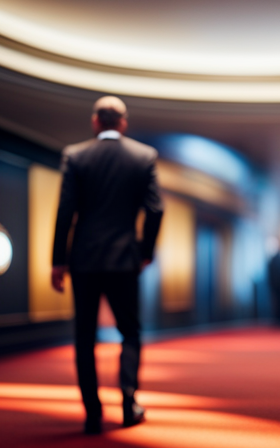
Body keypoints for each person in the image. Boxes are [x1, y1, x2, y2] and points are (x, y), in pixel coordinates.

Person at [51, 96, 163, 434]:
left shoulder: (76, 155)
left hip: (84, 259)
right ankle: (129, 405)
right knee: (130, 331)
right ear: (123, 123)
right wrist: (145, 251)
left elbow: (65, 210)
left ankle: (93, 414)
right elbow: (156, 209)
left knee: (84, 336)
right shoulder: (144, 156)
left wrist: (58, 261)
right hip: (125, 260)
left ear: (95, 122)